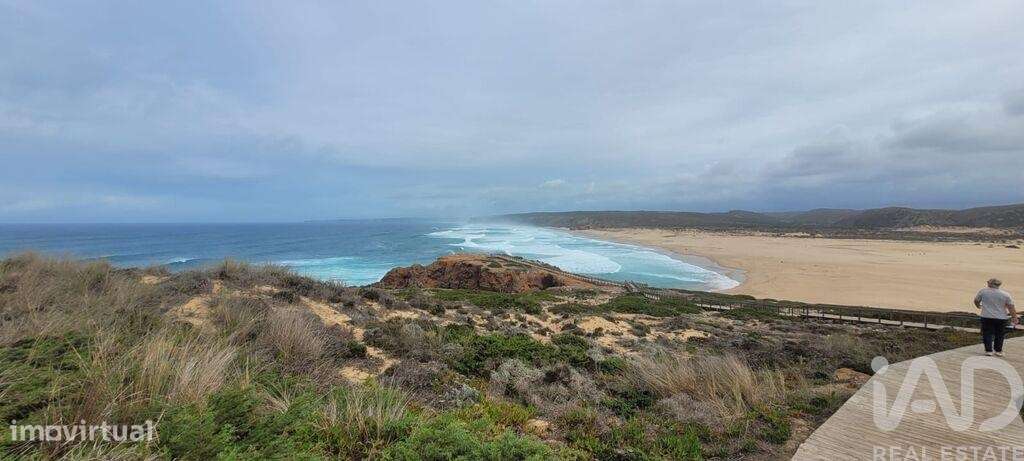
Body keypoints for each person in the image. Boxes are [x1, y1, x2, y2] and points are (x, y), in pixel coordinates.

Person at [974, 278, 1017, 357]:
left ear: (990, 283)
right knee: (1000, 334)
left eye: (988, 282)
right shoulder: (1005, 294)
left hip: (986, 316)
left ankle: (988, 351)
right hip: (1001, 317)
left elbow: (976, 300)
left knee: (987, 333)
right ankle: (998, 351)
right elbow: (1011, 307)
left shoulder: (983, 291)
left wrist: (978, 306)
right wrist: (1014, 317)